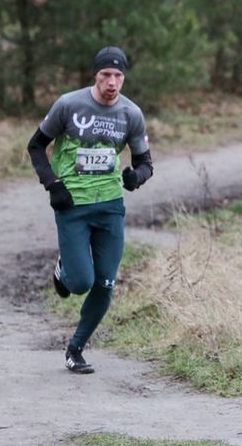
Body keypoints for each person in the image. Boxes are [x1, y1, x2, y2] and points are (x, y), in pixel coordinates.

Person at [26, 46, 154, 374]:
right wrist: (52, 185)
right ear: (95, 76)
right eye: (105, 75)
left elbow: (145, 163)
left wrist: (134, 177)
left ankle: (76, 349)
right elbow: (36, 145)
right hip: (73, 204)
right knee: (81, 282)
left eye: (118, 76)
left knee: (105, 284)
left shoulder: (131, 114)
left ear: (124, 77)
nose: (112, 82)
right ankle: (63, 270)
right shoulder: (69, 104)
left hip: (110, 207)